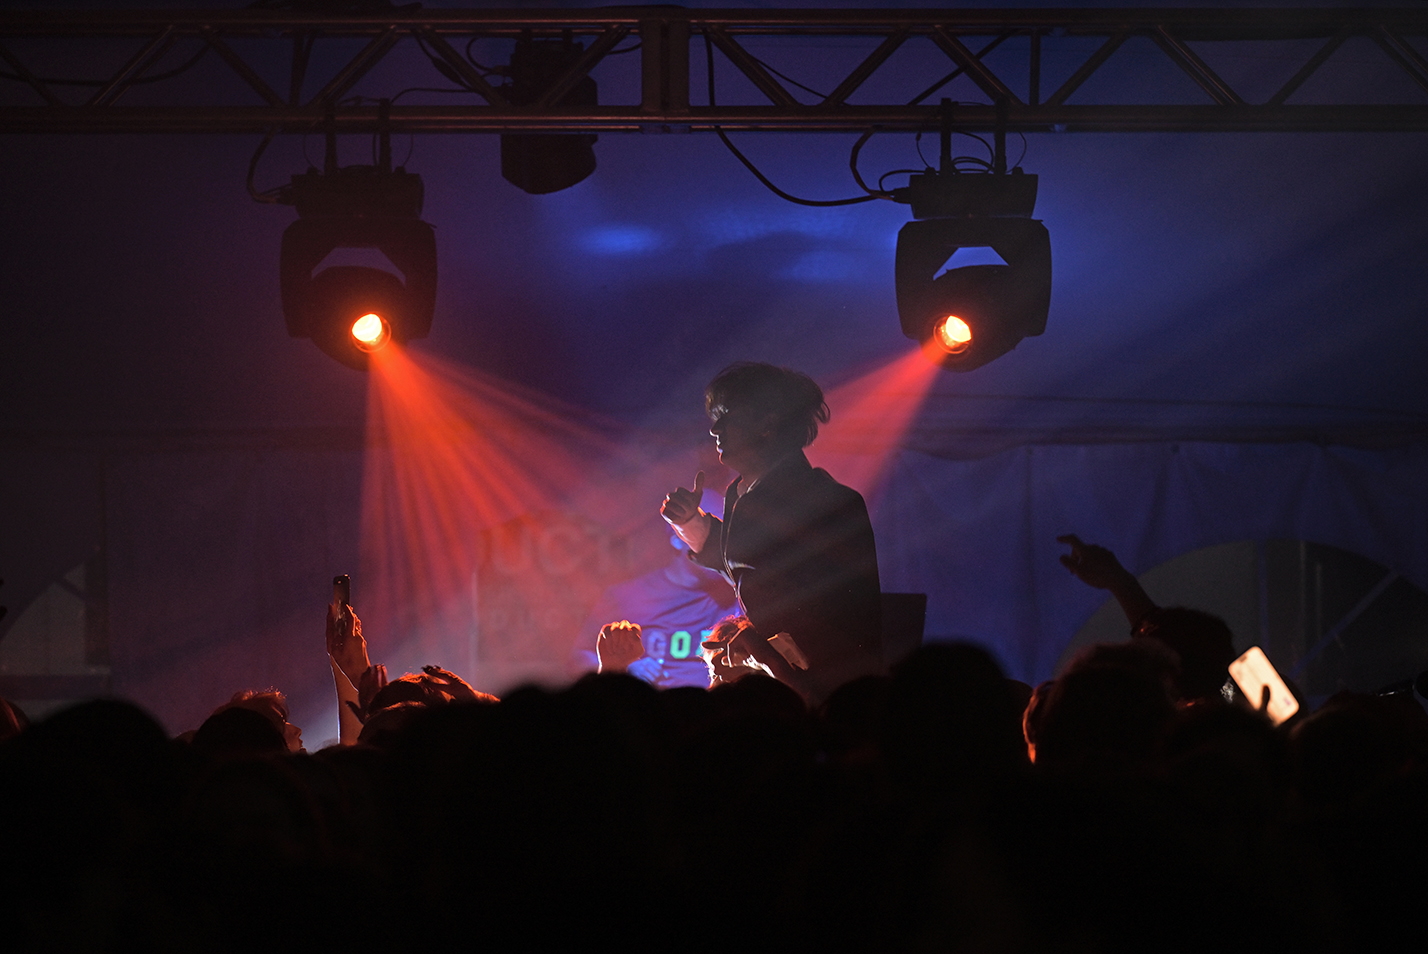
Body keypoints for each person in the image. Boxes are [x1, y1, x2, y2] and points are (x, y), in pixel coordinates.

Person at [661, 362, 882, 704]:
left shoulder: (825, 500)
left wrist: (762, 655)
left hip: (827, 698)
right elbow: (749, 563)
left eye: (727, 415)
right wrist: (691, 521)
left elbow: (843, 618)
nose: (714, 429)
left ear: (768, 421)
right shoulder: (742, 495)